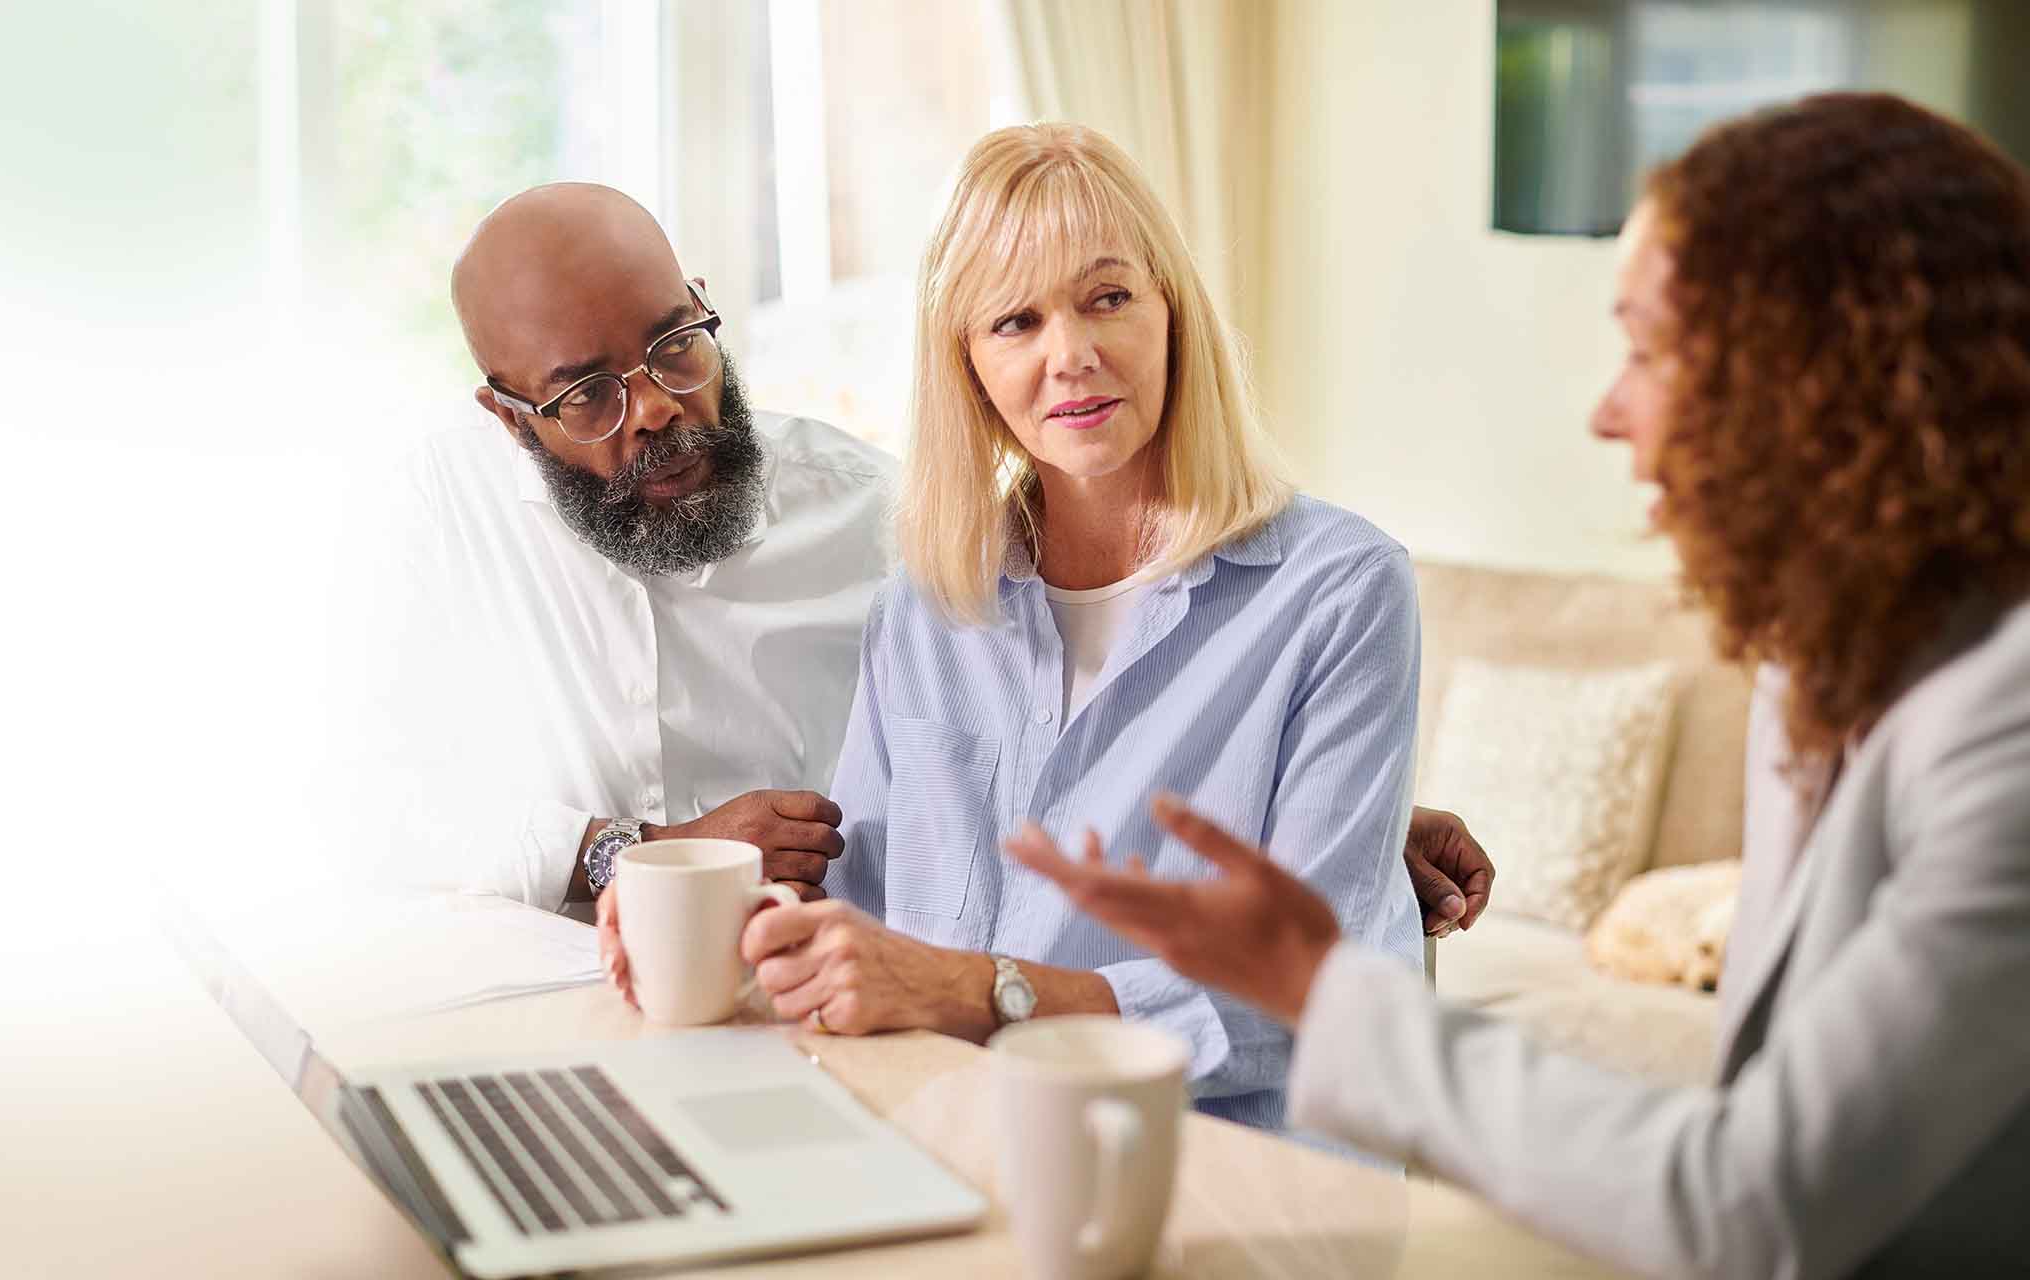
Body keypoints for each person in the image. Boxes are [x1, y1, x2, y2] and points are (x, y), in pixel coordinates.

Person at [1005, 92, 2030, 1276]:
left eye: (1650, 349)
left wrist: (1321, 987)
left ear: (1823, 381)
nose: (1608, 411)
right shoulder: (1820, 664)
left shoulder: (2004, 727)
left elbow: (1757, 1198)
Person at [600, 122, 1425, 1134]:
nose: (1071, 356)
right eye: (1016, 322)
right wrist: (710, 925)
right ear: (969, 367)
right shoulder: (927, 605)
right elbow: (867, 922)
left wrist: (982, 989)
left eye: (1107, 297)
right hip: (953, 1141)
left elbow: (1314, 994)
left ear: (1174, 313)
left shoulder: (1341, 593)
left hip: (1224, 1173)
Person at [388, 181, 1493, 931]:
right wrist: (633, 853)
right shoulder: (436, 511)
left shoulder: (895, 527)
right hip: (545, 1002)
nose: (656, 412)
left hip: (831, 1016)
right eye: (585, 395)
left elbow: (1060, 749)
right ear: (509, 413)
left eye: (677, 347)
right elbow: (361, 806)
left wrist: (1331, 810)